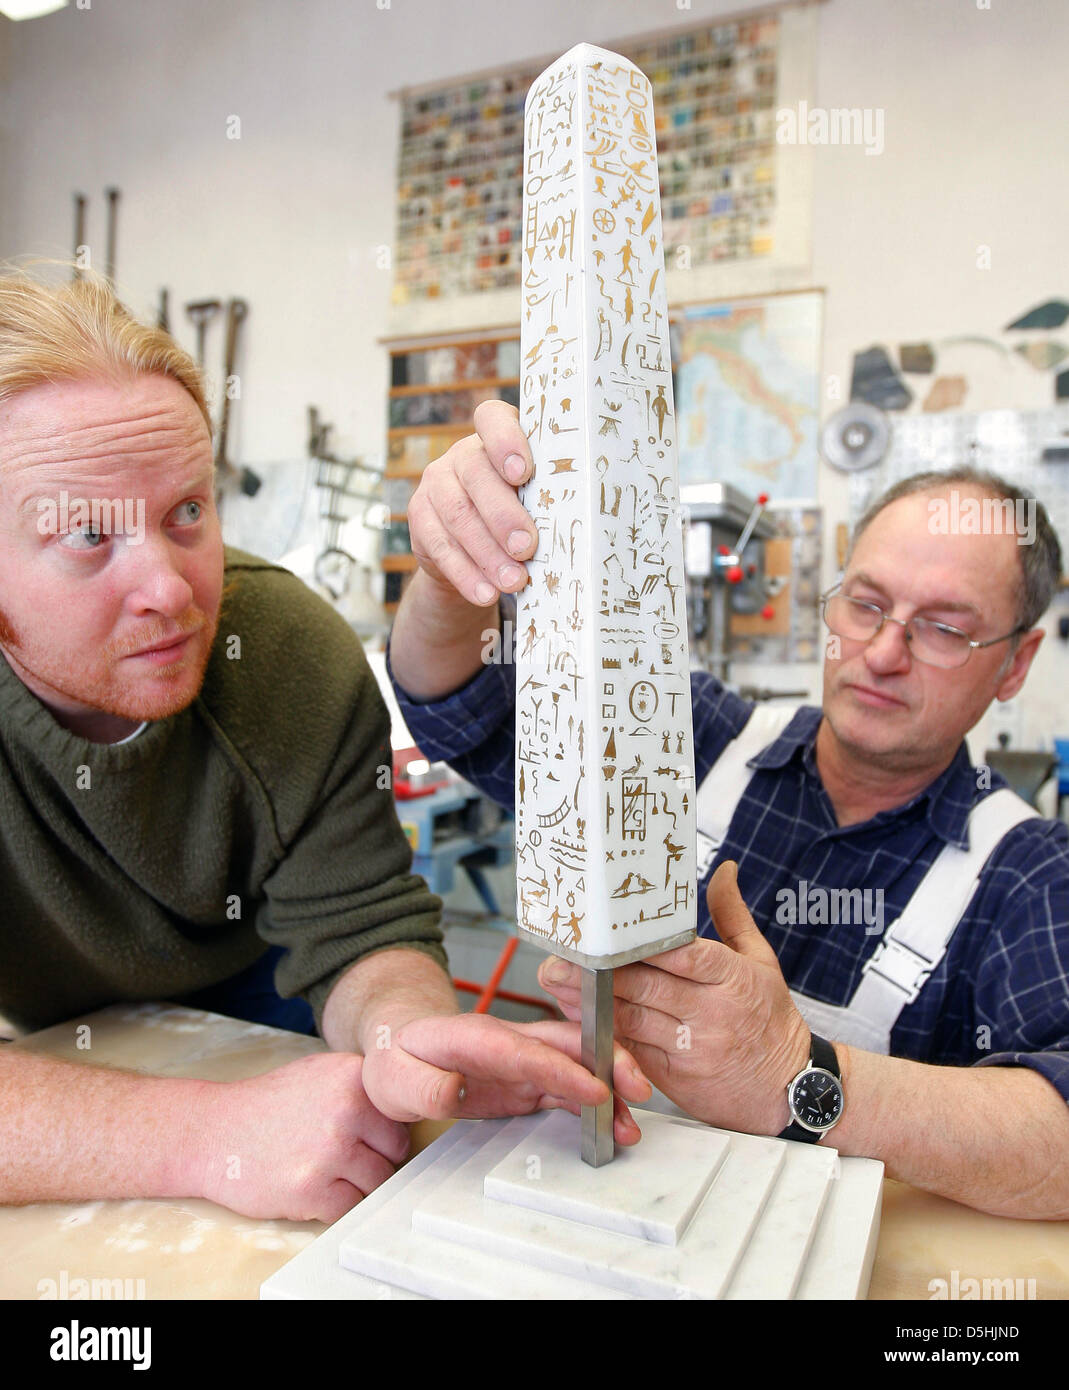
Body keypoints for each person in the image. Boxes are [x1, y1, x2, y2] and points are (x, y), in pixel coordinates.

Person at [0, 270, 649, 1224]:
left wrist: (411, 1036)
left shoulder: (282, 650)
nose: (172, 593)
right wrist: (205, 1141)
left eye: (187, 513)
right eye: (89, 536)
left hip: (267, 990)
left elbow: (359, 929)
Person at [388, 398, 1069, 1220]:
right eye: (865, 603)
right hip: (603, 1210)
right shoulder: (696, 734)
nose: (883, 653)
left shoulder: (1030, 878)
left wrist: (794, 1073)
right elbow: (457, 706)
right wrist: (452, 574)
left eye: (942, 630)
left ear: (1015, 663)